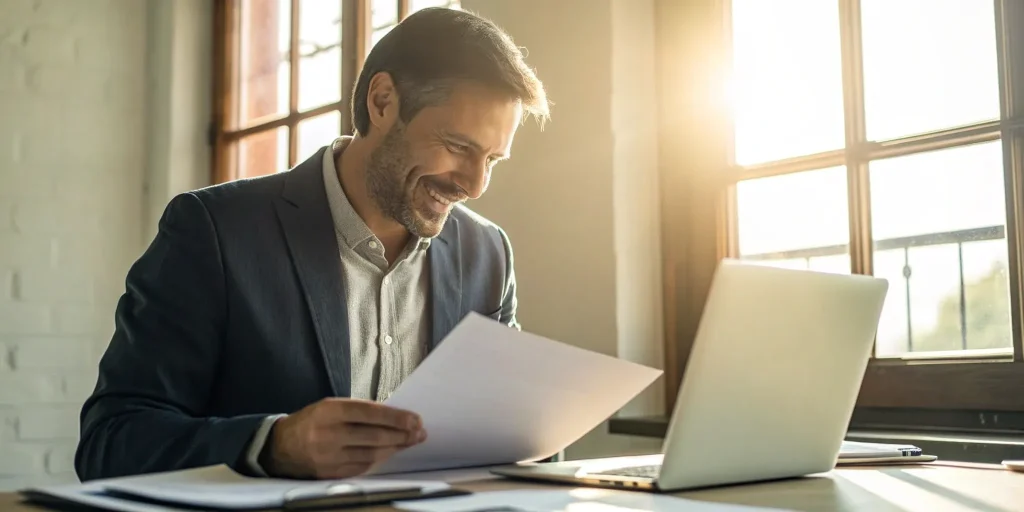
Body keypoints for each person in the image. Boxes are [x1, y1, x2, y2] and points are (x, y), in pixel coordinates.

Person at [74, 7, 549, 481]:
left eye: (492, 159)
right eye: (459, 147)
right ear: (383, 101)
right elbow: (110, 442)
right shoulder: (213, 231)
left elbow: (515, 435)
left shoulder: (488, 254)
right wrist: (272, 445)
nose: (475, 184)